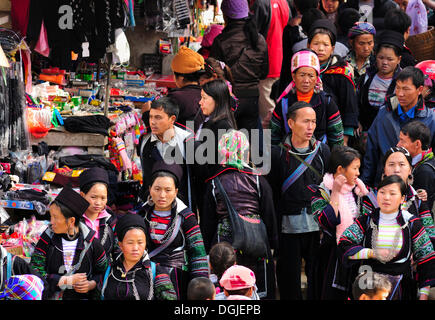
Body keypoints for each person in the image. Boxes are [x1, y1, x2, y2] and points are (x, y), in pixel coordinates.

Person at [200, 130, 278, 299]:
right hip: (257, 242)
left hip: (226, 247)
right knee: (257, 288)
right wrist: (273, 244)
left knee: (227, 287)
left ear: (222, 152)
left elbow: (208, 223)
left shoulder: (214, 183)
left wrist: (208, 251)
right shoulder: (259, 180)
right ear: (245, 152)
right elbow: (269, 215)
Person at [267, 101, 331, 300]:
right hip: (288, 228)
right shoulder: (277, 154)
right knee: (289, 282)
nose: (310, 126)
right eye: (305, 121)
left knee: (317, 278)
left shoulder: (323, 152)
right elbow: (272, 194)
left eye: (313, 121)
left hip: (316, 228)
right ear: (291, 123)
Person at [338, 175, 435, 300]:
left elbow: (426, 257)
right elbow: (344, 243)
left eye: (392, 193)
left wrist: (423, 295)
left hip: (401, 288)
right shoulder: (366, 221)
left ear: (402, 198)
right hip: (368, 288)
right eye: (382, 192)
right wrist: (371, 253)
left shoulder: (411, 223)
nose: (386, 197)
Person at [138, 161, 208, 300]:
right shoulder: (141, 215)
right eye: (157, 189)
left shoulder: (187, 218)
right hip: (147, 278)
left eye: (168, 190)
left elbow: (198, 254)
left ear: (176, 191)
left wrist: (200, 288)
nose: (162, 195)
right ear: (150, 188)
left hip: (178, 280)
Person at [309, 145, 369, 299]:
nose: (358, 173)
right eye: (354, 168)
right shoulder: (320, 191)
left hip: (357, 253)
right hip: (330, 256)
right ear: (341, 169)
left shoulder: (360, 191)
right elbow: (326, 221)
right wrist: (335, 192)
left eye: (358, 168)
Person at [361, 66, 435, 188]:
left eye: (406, 89)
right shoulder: (384, 114)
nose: (400, 94)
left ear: (419, 89)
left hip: (416, 187)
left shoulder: (431, 119)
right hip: (384, 184)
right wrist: (365, 184)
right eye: (398, 87)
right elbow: (371, 152)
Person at [30, 185, 108, 300]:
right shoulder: (47, 239)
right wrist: (63, 280)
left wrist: (92, 284)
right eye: (51, 216)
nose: (51, 222)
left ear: (71, 221)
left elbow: (105, 272)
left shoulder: (92, 243)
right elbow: (35, 270)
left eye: (56, 217)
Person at [210, 0, 269, 134]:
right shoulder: (259, 39)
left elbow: (215, 73)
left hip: (229, 98)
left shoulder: (220, 41)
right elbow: (264, 73)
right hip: (252, 98)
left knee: (228, 143)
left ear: (226, 16)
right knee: (251, 142)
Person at [362, 147, 435, 247]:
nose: (396, 170)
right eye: (391, 165)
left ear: (410, 169)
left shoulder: (418, 201)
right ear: (384, 170)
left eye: (402, 164)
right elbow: (361, 233)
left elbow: (431, 235)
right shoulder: (372, 198)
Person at [271, 50, 344, 147]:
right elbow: (273, 137)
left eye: (311, 76)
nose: (306, 80)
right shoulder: (284, 103)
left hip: (319, 156)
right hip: (289, 156)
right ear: (293, 76)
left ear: (317, 77)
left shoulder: (327, 102)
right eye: (302, 75)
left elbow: (337, 137)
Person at [307, 19, 359, 145]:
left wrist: (344, 140)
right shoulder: (301, 68)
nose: (320, 49)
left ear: (332, 48)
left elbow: (349, 107)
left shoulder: (341, 72)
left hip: (334, 134)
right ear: (308, 45)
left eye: (325, 45)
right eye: (316, 43)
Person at [138, 97, 196, 210]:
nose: (152, 122)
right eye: (151, 117)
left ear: (172, 119)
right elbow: (146, 177)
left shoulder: (187, 141)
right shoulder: (145, 142)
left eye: (158, 117)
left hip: (181, 207)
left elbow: (193, 180)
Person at [100, 213, 170, 300]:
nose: (135, 248)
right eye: (130, 243)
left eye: (140, 242)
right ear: (120, 245)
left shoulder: (156, 271)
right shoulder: (109, 270)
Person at [250, 0, 290, 129]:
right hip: (279, 59)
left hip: (267, 63)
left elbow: (253, 34)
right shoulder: (283, 2)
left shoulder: (261, 3)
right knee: (272, 102)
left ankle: (271, 142)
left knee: (267, 110)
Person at [357, 30, 403, 133]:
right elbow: (356, 103)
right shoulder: (366, 77)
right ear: (375, 55)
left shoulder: (401, 83)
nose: (385, 63)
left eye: (390, 59)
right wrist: (357, 122)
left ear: (399, 59)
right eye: (381, 58)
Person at [79, 167, 118, 260]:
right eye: (93, 197)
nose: (98, 202)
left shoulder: (111, 221)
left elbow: (117, 249)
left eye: (103, 198)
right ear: (82, 195)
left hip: (105, 271)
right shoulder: (73, 219)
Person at [397, 122, 435, 212]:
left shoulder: (425, 171)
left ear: (417, 144)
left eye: (402, 141)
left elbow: (421, 207)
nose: (398, 144)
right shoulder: (414, 162)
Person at [168, 46, 206, 128]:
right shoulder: (209, 94)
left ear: (181, 78)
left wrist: (146, 112)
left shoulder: (176, 98)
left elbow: (159, 125)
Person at [345, 21, 376, 86]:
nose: (366, 48)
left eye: (370, 43)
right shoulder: (344, 63)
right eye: (361, 43)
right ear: (351, 43)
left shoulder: (376, 63)